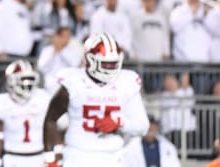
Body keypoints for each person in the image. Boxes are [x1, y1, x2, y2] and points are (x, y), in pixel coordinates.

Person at [43, 33, 150, 167]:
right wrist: (49, 158)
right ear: (89, 59)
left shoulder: (126, 82)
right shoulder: (74, 82)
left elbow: (143, 126)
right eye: (105, 64)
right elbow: (51, 119)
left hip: (114, 155)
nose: (110, 68)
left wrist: (120, 123)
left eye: (113, 64)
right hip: (79, 155)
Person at [0, 60, 51, 167]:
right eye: (23, 79)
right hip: (12, 159)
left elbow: (51, 129)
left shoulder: (43, 98)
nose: (27, 83)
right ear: (11, 80)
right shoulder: (0, 102)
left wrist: (52, 157)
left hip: (39, 158)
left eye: (30, 79)